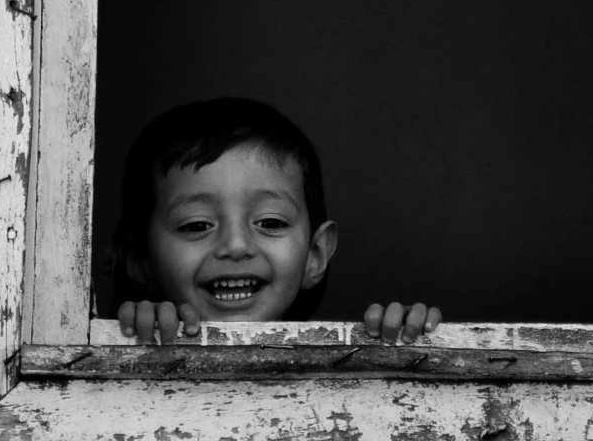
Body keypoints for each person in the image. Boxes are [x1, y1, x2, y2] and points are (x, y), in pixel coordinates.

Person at [112, 96, 441, 346]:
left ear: (315, 255)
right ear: (139, 259)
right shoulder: (137, 334)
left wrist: (403, 335)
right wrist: (140, 331)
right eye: (197, 225)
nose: (236, 246)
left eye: (270, 222)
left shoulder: (336, 363)